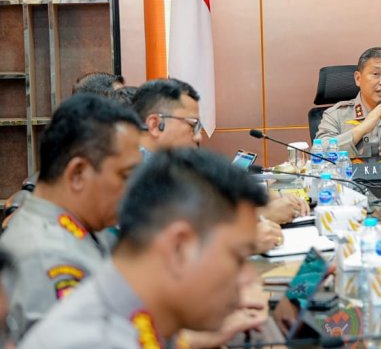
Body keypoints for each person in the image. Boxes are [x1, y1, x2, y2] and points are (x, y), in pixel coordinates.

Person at [18, 148, 269, 349]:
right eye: (238, 257)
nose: (247, 277)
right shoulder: (96, 341)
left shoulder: (129, 313)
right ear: (179, 247)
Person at [0, 94, 143, 342]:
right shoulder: (46, 256)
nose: (132, 189)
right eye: (125, 176)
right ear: (78, 174)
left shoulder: (80, 225)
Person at [132, 78, 303, 251]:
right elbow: (165, 249)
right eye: (192, 125)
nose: (198, 137)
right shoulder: (132, 174)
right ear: (155, 125)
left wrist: (261, 201)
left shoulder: (167, 168)